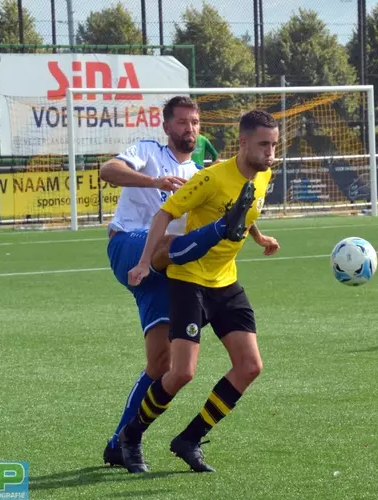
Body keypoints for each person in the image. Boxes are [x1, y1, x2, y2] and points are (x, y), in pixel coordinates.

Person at [117, 110, 281, 474]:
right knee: (181, 373)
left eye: (274, 144)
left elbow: (247, 212)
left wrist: (258, 236)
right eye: (264, 145)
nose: (271, 152)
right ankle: (131, 436)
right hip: (189, 279)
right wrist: (145, 263)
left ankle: (189, 439)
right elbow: (164, 215)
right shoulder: (211, 178)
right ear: (243, 143)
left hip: (225, 281)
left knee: (250, 366)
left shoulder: (264, 174)